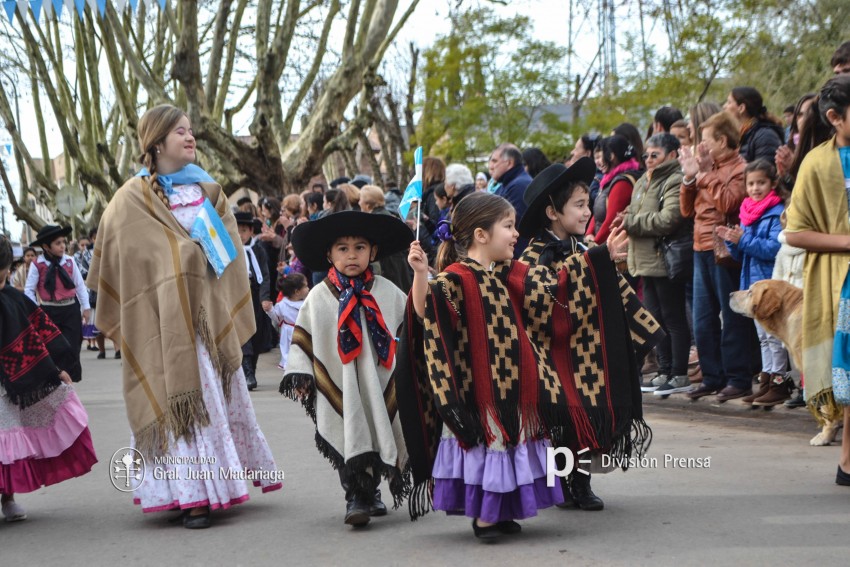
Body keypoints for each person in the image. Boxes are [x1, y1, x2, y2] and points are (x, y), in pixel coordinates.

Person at [399, 192, 659, 540]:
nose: (516, 234)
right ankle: (486, 518)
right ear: (481, 235)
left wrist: (598, 258)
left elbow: (555, 288)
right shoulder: (455, 278)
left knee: (512, 449)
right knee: (491, 448)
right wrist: (420, 274)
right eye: (508, 226)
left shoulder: (510, 272)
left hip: (517, 390)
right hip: (482, 394)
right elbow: (425, 312)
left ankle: (504, 510)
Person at [87, 104, 282, 528]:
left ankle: (208, 491)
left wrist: (193, 257)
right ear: (156, 142)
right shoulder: (128, 200)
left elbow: (227, 254)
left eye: (191, 130)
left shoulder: (209, 192)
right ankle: (186, 492)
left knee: (209, 398)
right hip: (158, 325)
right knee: (171, 397)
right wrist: (176, 259)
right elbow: (119, 261)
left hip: (204, 324)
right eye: (180, 131)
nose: (190, 136)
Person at [280, 210, 413, 527]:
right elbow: (305, 338)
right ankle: (356, 495)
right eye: (343, 248)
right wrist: (303, 376)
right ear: (329, 254)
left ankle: (372, 491)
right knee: (348, 426)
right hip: (340, 378)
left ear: (373, 252)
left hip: (379, 378)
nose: (351, 255)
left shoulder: (386, 292)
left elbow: (412, 325)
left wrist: (421, 274)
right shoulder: (319, 297)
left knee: (377, 426)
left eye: (359, 247)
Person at [0, 234, 97, 523]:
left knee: (6, 435)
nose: (2, 277)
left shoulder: (13, 299)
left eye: (2, 273)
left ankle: (7, 497)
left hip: (8, 385)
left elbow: (37, 335)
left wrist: (55, 369)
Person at [785, 74, 850, 486]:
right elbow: (794, 232)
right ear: (834, 118)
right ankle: (847, 460)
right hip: (840, 284)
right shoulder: (816, 163)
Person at [679, 111, 754, 402]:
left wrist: (705, 174)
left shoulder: (740, 168)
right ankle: (712, 377)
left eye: (707, 140)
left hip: (724, 250)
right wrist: (689, 178)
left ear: (723, 141)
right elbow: (687, 210)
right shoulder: (706, 169)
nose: (702, 147)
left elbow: (728, 202)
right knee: (702, 318)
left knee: (731, 315)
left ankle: (738, 378)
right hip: (700, 247)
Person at [619, 134, 692, 397]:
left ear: (672, 155)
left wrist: (631, 222)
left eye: (655, 155)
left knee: (673, 318)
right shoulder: (642, 180)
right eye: (646, 155)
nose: (649, 160)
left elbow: (669, 218)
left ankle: (679, 373)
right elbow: (633, 212)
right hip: (643, 260)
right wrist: (628, 218)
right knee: (654, 319)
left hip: (664, 261)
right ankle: (664, 370)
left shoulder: (674, 180)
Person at [718, 159, 789, 406]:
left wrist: (744, 240)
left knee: (774, 336)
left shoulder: (776, 213)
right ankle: (766, 382)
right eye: (751, 184)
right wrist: (732, 241)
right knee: (763, 337)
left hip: (769, 284)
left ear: (772, 184)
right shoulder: (747, 212)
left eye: (761, 183)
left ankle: (779, 383)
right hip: (753, 283)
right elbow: (743, 255)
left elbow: (773, 249)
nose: (755, 188)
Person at [25, 225, 90, 383]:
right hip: (48, 311)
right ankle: (56, 381)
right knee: (53, 347)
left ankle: (70, 382)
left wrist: (86, 307)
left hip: (70, 309)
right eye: (58, 243)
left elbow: (80, 285)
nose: (62, 246)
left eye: (63, 242)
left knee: (72, 347)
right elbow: (29, 290)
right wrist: (36, 311)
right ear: (46, 247)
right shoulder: (38, 264)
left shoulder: (69, 261)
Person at [235, 212, 272, 391]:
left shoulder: (258, 249)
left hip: (256, 295)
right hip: (237, 295)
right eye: (237, 230)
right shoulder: (230, 249)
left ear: (251, 231)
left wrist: (265, 297)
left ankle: (251, 370)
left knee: (256, 333)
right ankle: (247, 372)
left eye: (244, 230)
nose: (240, 235)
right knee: (243, 332)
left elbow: (265, 274)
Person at [586, 135, 642, 246]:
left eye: (601, 156)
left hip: (610, 247)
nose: (598, 162)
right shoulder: (610, 180)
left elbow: (611, 222)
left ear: (611, 156)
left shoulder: (622, 183)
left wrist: (593, 247)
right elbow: (598, 212)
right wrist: (589, 234)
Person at [361, 185, 414, 292]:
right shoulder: (388, 216)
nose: (359, 203)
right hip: (400, 270)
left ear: (367, 204)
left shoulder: (374, 222)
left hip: (389, 271)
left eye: (360, 199)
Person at [487, 143, 533, 256]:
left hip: (517, 256)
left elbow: (516, 227)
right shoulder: (507, 184)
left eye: (494, 161)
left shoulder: (519, 186)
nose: (491, 166)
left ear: (509, 163)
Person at [723, 86, 785, 163]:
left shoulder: (765, 136)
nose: (724, 106)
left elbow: (765, 168)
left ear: (741, 108)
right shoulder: (738, 134)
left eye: (729, 102)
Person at [266, 272, 309, 370]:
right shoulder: (282, 305)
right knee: (289, 354)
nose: (308, 288)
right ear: (297, 291)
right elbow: (277, 318)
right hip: (288, 334)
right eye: (306, 286)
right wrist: (270, 310)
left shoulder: (308, 303)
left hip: (304, 332)